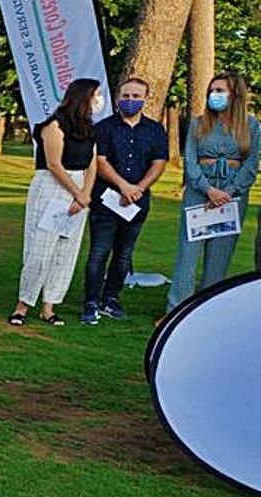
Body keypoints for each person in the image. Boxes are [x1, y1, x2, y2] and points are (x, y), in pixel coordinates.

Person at [8, 79, 101, 327]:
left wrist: (85, 195)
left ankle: (49, 307)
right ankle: (23, 305)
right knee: (40, 250)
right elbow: (53, 164)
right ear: (84, 97)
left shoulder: (90, 129)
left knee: (65, 251)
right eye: (96, 95)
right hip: (52, 187)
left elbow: (92, 165)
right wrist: (76, 193)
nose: (99, 100)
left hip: (80, 188)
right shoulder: (53, 126)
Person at [167, 72, 259, 312]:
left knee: (219, 258)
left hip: (232, 195)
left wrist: (228, 191)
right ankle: (176, 309)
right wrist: (208, 189)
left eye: (220, 91)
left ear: (235, 94)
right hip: (200, 191)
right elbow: (191, 161)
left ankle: (205, 310)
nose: (213, 95)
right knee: (188, 254)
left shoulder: (251, 126)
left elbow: (251, 165)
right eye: (212, 91)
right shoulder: (198, 123)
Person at [80, 78, 168, 325]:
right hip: (106, 201)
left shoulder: (155, 130)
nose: (130, 101)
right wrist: (123, 186)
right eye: (126, 96)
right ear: (118, 97)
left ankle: (111, 298)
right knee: (99, 253)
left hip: (137, 203)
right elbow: (101, 160)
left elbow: (159, 162)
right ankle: (91, 301)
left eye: (136, 96)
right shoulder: (104, 128)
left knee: (123, 254)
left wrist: (138, 188)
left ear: (145, 98)